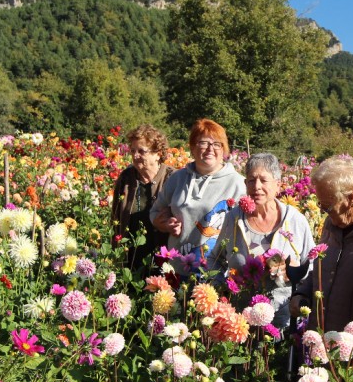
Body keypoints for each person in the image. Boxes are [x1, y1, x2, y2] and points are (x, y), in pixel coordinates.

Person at [209, 153, 315, 329]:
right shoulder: (234, 218)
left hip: (284, 322)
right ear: (245, 184)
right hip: (240, 321)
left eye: (263, 180)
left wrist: (293, 272)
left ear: (278, 184)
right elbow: (215, 258)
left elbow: (313, 267)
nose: (257, 186)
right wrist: (220, 291)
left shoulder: (295, 220)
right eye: (251, 180)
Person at [291, 156, 353, 332]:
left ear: (351, 198)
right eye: (321, 205)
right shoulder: (332, 224)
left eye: (327, 206)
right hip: (320, 339)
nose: (324, 211)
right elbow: (321, 270)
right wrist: (303, 293)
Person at [150, 119, 245, 260]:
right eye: (203, 143)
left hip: (216, 267)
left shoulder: (238, 183)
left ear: (223, 150)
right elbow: (155, 212)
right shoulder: (178, 178)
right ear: (193, 147)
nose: (210, 149)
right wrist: (166, 224)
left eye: (217, 144)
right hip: (177, 265)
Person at [110, 124, 174, 272]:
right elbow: (115, 218)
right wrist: (116, 255)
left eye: (141, 151)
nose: (135, 155)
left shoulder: (172, 178)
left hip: (164, 259)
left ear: (158, 154)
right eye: (132, 150)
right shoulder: (126, 178)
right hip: (131, 260)